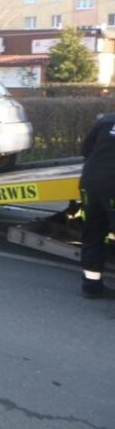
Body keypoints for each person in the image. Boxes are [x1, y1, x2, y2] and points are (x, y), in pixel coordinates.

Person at [79, 112, 115, 299]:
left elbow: (85, 150)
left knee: (93, 234)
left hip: (90, 184)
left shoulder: (106, 121)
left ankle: (91, 286)